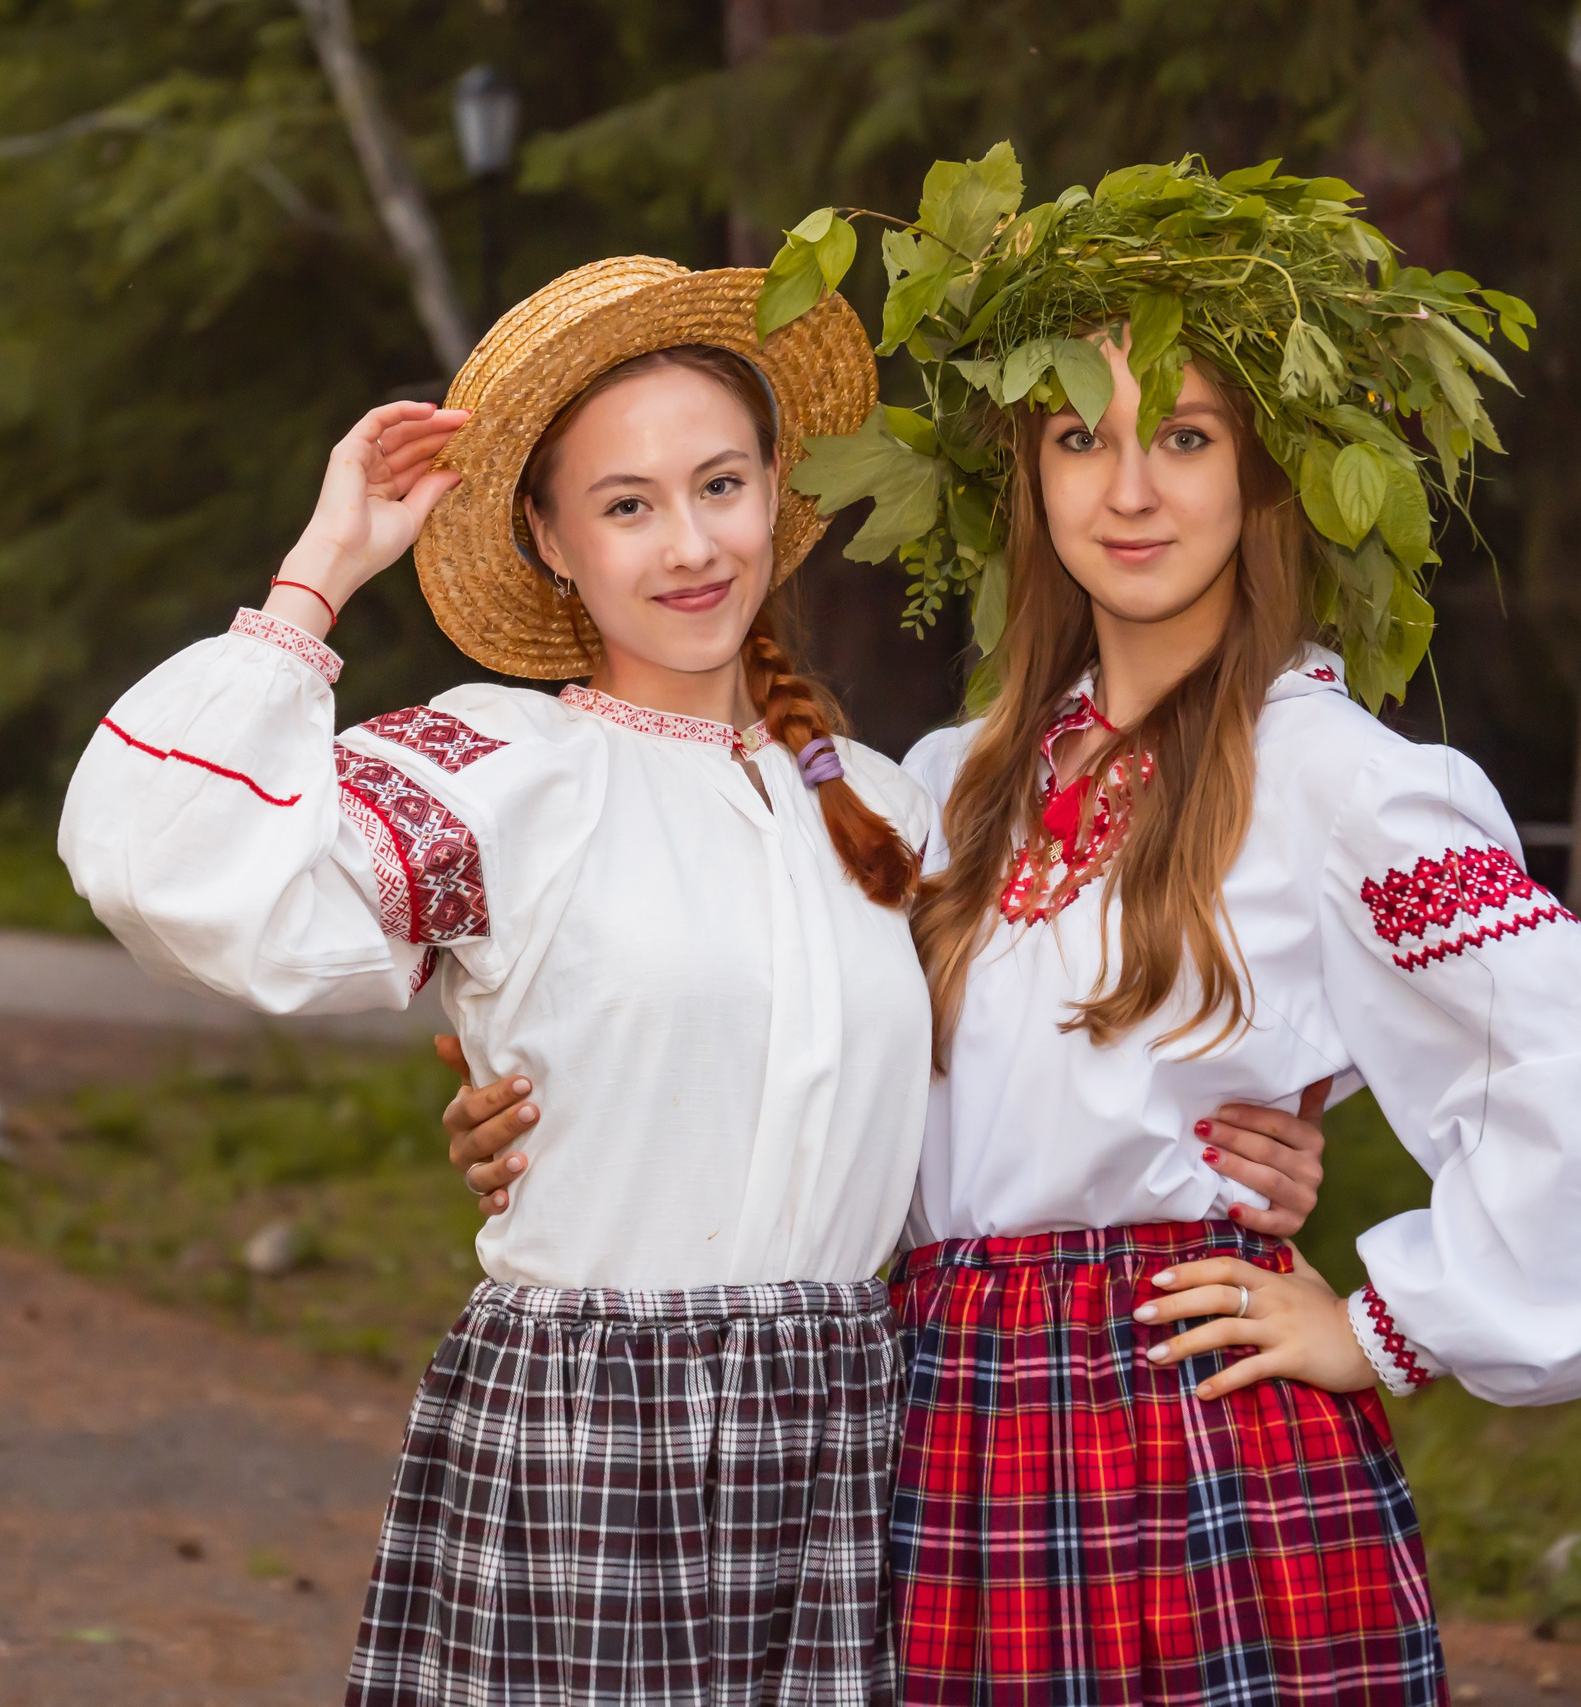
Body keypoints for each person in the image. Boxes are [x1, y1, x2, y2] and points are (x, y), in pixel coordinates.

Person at [451, 156, 1581, 1706]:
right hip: (927, 1422)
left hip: (1182, 1434)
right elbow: (756, 1003)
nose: (1129, 490)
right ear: (1026, 477)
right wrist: (536, 1103)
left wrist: (1384, 1324)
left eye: (1185, 438)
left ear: (1264, 475)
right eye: (1079, 438)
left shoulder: (1337, 783)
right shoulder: (951, 783)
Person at [60, 257, 935, 1706]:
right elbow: (170, 863)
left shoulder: (888, 810)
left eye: (719, 485)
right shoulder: (506, 772)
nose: (689, 545)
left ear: (780, 490)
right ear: (548, 537)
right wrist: (320, 571)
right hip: (597, 1429)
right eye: (627, 504)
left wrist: (1269, 1135)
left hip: (847, 1425)